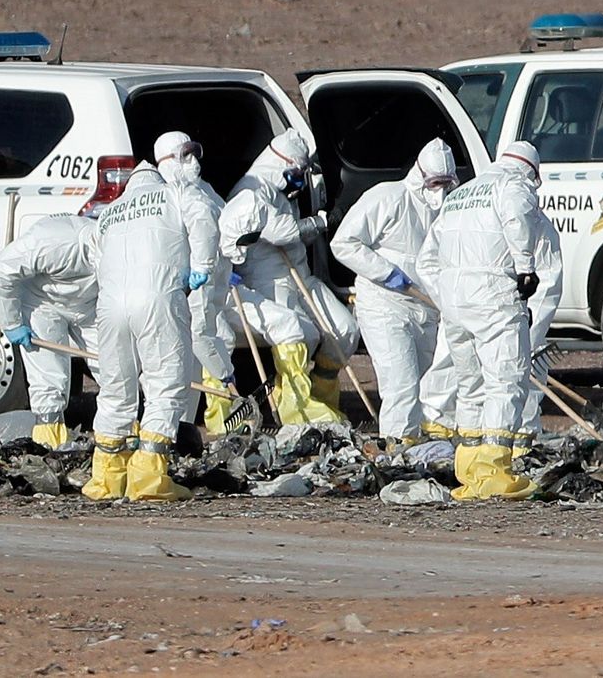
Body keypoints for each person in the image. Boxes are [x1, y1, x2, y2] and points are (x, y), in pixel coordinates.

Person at [415, 141, 542, 500]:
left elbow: (426, 259)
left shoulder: (461, 194)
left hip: (456, 302)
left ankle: (468, 471)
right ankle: (494, 473)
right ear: (531, 171)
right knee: (505, 380)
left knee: (470, 386)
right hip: (494, 296)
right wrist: (525, 267)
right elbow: (518, 217)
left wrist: (448, 294)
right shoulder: (513, 185)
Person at [83, 160, 216, 502]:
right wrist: (202, 266)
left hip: (110, 305)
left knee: (115, 388)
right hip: (157, 296)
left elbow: (96, 258)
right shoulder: (174, 193)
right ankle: (148, 478)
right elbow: (203, 219)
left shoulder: (110, 211)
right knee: (164, 384)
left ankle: (108, 478)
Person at [330, 139, 459, 444]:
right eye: (434, 182)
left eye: (446, 183)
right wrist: (386, 272)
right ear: (420, 174)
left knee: (427, 387)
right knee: (401, 384)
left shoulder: (449, 209)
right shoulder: (388, 198)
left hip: (425, 309)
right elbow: (343, 243)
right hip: (384, 304)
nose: (439, 190)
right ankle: (396, 451)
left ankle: (420, 450)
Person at [229, 130, 357, 412]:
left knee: (345, 330)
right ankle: (293, 402)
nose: (300, 176)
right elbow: (283, 233)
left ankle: (322, 396)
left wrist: (317, 227)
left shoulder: (284, 193)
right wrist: (322, 221)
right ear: (280, 164)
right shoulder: (251, 193)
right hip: (269, 281)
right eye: (297, 170)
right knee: (304, 333)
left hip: (301, 277)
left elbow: (297, 238)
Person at [218, 188, 341, 424]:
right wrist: (223, 271)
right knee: (220, 339)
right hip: (213, 295)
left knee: (299, 328)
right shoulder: (230, 220)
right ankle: (219, 412)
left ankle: (295, 400)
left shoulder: (255, 207)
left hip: (229, 285)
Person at [0, 214, 100, 449]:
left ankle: (122, 438)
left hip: (90, 302)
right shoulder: (51, 243)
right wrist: (11, 323)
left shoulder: (121, 249)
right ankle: (50, 444)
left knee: (115, 368)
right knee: (49, 376)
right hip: (41, 301)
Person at [154, 131, 237, 436]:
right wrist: (226, 376)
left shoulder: (204, 190)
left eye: (194, 154)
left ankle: (182, 434)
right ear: (167, 161)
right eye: (184, 155)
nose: (193, 162)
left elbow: (224, 223)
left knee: (191, 365)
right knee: (183, 360)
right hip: (186, 291)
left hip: (211, 286)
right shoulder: (170, 195)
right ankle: (170, 434)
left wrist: (228, 259)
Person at [512, 206, 564, 455]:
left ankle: (522, 442)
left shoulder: (539, 228)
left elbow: (548, 284)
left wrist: (530, 335)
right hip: (490, 312)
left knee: (527, 366)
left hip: (521, 316)